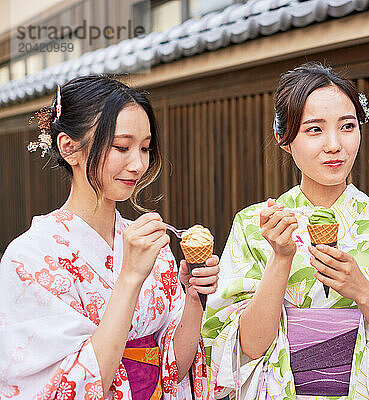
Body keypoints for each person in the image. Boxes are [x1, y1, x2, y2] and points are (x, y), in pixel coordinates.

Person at [202, 63, 369, 400]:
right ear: (284, 139)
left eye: (347, 126)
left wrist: (363, 291)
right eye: (314, 130)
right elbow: (246, 348)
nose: (334, 144)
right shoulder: (254, 224)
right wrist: (281, 257)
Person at [0, 76, 219, 399]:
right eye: (121, 147)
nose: (139, 164)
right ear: (68, 147)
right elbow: (65, 389)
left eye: (145, 148)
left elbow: (175, 367)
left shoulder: (149, 248)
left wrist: (193, 297)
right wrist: (130, 276)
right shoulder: (30, 258)